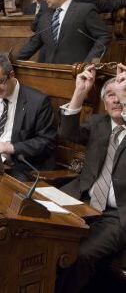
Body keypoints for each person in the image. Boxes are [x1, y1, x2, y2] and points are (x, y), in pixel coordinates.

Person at [56, 65, 126, 292]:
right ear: (104, 102)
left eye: (122, 95)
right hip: (84, 201)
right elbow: (67, 134)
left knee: (81, 255)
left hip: (117, 215)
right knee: (40, 231)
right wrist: (80, 92)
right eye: (111, 95)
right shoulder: (98, 123)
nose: (116, 101)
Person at [17, 0, 111, 65]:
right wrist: (11, 62)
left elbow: (103, 36)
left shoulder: (85, 10)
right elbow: (33, 44)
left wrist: (90, 64)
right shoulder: (44, 17)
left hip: (78, 73)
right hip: (50, 74)